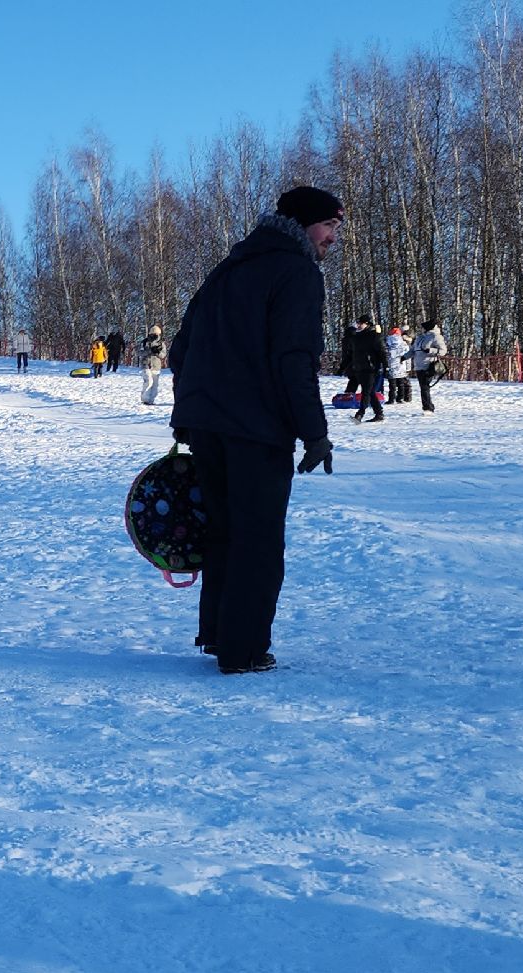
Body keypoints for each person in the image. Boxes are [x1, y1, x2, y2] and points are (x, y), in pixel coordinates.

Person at [168, 185, 342, 675]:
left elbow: (183, 351)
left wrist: (189, 417)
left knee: (222, 531)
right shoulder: (298, 272)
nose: (333, 237)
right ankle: (243, 650)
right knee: (259, 539)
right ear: (305, 224)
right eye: (329, 225)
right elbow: (295, 358)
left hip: (208, 427)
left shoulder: (228, 270)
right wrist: (314, 433)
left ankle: (223, 636)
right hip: (256, 430)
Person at [345, 316, 386, 422]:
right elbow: (351, 354)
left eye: (361, 323)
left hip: (371, 368)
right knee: (371, 392)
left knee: (366, 392)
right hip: (359, 367)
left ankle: (360, 414)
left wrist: (386, 365)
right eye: (358, 323)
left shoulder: (374, 336)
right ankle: (379, 413)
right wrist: (344, 367)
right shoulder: (355, 337)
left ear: (367, 324)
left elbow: (381, 352)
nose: (358, 325)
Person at [410, 320, 445, 412]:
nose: (421, 329)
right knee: (423, 387)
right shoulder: (419, 338)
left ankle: (427, 408)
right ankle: (428, 406)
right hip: (418, 365)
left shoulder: (436, 337)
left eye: (423, 327)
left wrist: (431, 350)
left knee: (424, 387)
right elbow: (413, 350)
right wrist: (403, 357)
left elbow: (443, 351)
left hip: (429, 365)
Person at [385, 327, 413, 407]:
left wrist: (384, 365)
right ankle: (400, 398)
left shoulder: (387, 343)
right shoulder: (404, 344)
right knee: (401, 384)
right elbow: (408, 357)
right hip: (401, 366)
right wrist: (408, 368)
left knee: (392, 385)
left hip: (391, 366)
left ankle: (391, 399)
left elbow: (385, 355)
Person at [139, 325, 166, 405]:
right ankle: (145, 399)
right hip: (146, 364)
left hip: (156, 366)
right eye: (153, 334)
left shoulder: (161, 344)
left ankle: (151, 400)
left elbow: (163, 355)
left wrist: (157, 352)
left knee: (155, 385)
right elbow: (139, 352)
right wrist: (149, 351)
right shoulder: (144, 342)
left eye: (157, 334)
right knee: (149, 381)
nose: (155, 335)